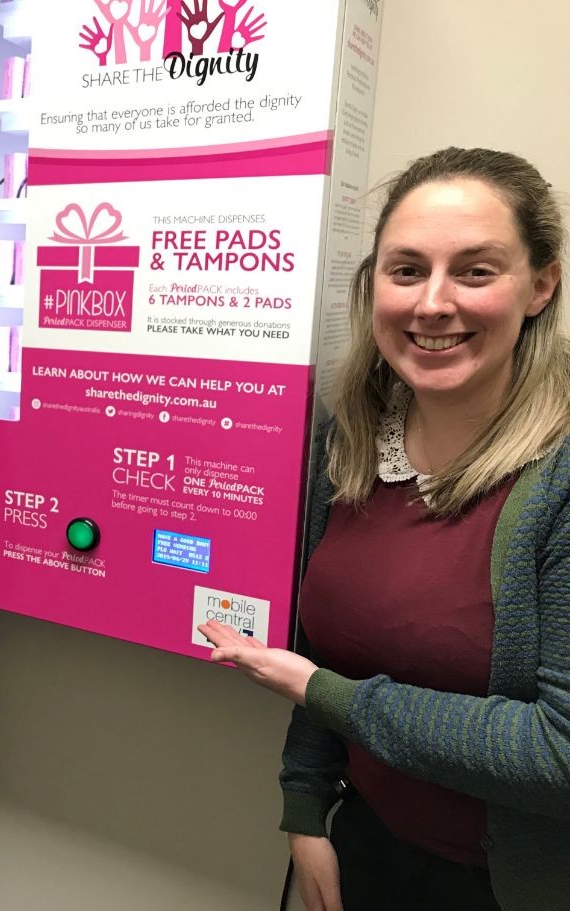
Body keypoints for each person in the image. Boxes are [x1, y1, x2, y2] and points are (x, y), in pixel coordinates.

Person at [198, 147, 570, 911]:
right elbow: (333, 645)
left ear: (539, 284)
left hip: (508, 882)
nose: (432, 303)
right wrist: (306, 808)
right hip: (365, 842)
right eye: (406, 270)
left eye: (474, 270)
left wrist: (321, 691)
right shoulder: (348, 442)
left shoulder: (556, 475)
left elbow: (557, 751)